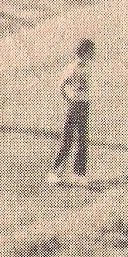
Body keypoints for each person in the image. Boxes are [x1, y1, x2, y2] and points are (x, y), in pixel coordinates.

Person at [48, 38, 94, 186]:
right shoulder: (73, 67)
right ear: (85, 52)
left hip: (84, 105)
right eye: (91, 51)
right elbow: (62, 85)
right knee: (67, 140)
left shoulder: (87, 66)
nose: (93, 54)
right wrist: (70, 100)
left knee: (82, 140)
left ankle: (78, 174)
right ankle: (54, 172)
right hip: (75, 105)